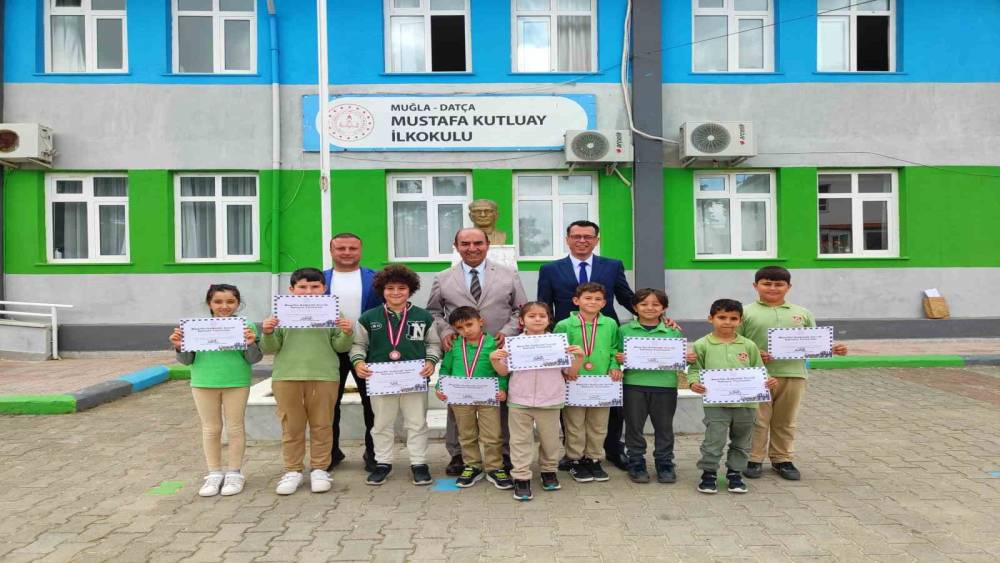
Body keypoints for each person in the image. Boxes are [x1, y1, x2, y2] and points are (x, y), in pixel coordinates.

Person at [426, 227, 528, 476]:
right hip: (460, 349)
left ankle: (502, 453)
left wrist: (508, 331)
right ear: (456, 246)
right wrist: (445, 332)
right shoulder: (443, 277)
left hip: (497, 350)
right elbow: (433, 312)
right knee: (459, 401)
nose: (472, 248)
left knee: (500, 400)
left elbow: (521, 309)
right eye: (465, 244)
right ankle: (458, 454)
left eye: (478, 243)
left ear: (487, 244)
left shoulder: (508, 274)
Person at [536, 220, 635, 470]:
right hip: (568, 341)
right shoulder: (550, 269)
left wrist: (655, 316)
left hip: (603, 339)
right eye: (577, 236)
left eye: (588, 237)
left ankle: (612, 448)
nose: (582, 241)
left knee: (609, 402)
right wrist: (542, 342)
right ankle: (573, 453)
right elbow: (544, 305)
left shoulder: (612, 266)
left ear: (596, 240)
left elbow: (626, 297)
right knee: (571, 402)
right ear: (567, 239)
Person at [737, 266, 848, 481]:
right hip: (757, 376)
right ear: (755, 286)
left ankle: (782, 459)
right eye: (766, 284)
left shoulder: (802, 313)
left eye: (779, 284)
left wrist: (833, 348)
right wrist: (754, 354)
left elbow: (813, 343)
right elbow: (734, 342)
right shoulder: (744, 312)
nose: (773, 288)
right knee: (757, 420)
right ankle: (754, 458)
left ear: (789, 287)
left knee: (785, 420)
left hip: (793, 374)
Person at [261, 268, 355, 495]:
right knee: (291, 426)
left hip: (324, 376)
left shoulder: (333, 310)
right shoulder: (281, 311)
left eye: (315, 287)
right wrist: (268, 332)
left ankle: (320, 469)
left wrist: (347, 333)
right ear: (291, 289)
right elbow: (270, 348)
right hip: (287, 376)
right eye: (302, 287)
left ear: (324, 288)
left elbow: (340, 347)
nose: (309, 291)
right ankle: (292, 470)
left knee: (322, 425)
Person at [351, 265, 441, 487]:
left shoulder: (422, 316)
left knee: (417, 422)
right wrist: (359, 362)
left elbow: (433, 344)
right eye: (390, 288)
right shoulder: (369, 317)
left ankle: (419, 463)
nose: (396, 292)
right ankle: (383, 463)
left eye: (402, 288)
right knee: (381, 423)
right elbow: (358, 345)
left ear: (410, 290)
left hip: (415, 378)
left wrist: (431, 361)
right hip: (380, 381)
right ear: (382, 290)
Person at [170, 284, 262, 497]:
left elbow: (254, 359)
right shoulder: (195, 327)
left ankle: (234, 473)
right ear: (209, 303)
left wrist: (250, 343)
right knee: (211, 429)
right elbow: (187, 360)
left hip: (236, 382)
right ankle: (214, 473)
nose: (224, 306)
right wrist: (179, 346)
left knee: (235, 428)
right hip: (203, 382)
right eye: (218, 302)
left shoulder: (246, 325)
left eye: (230, 301)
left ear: (238, 303)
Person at [491, 302, 585, 501]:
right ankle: (521, 477)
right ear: (522, 320)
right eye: (532, 316)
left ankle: (548, 471)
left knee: (550, 440)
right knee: (519, 441)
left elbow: (570, 372)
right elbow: (504, 371)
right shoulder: (513, 343)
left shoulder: (558, 343)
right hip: (520, 400)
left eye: (542, 316)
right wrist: (495, 360)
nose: (537, 319)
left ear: (549, 320)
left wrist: (578, 358)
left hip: (550, 400)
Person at [686, 299, 778, 495]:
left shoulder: (749, 345)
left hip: (747, 404)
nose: (727, 322)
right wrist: (694, 383)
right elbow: (694, 370)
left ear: (740, 321)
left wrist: (768, 380)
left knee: (742, 442)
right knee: (714, 441)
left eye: (733, 318)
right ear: (711, 318)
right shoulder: (702, 344)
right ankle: (709, 473)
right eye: (722, 317)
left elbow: (759, 370)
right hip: (716, 404)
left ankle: (735, 474)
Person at [323, 233, 383, 473]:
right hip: (330, 349)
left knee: (372, 405)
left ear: (360, 250)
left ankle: (374, 454)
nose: (347, 252)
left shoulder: (376, 279)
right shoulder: (318, 279)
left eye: (352, 248)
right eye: (341, 248)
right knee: (329, 405)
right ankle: (330, 453)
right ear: (331, 251)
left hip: (369, 349)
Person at [434, 306, 512, 490]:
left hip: (488, 398)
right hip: (460, 398)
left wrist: (502, 388)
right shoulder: (454, 345)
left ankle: (495, 467)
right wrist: (440, 386)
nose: (466, 330)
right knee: (466, 434)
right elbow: (445, 368)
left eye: (469, 325)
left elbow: (502, 371)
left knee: (492, 434)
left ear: (480, 322)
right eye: (460, 328)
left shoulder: (494, 344)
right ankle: (472, 465)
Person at [554, 283, 623, 483]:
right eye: (588, 298)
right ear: (576, 301)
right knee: (574, 424)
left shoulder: (610, 324)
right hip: (575, 382)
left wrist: (614, 366)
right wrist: (566, 371)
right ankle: (575, 459)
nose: (593, 302)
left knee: (599, 425)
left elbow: (614, 348)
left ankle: (593, 458)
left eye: (597, 299)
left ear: (604, 303)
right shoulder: (564, 325)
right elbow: (559, 353)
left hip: (603, 383)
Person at [615, 288, 684, 484]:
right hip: (633, 384)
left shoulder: (673, 330)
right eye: (644, 304)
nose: (650, 308)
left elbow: (678, 357)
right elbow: (615, 353)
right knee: (634, 426)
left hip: (665, 386)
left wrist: (685, 358)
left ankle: (665, 462)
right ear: (635, 307)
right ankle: (636, 461)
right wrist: (619, 359)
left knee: (664, 427)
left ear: (664, 308)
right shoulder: (624, 330)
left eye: (656, 304)